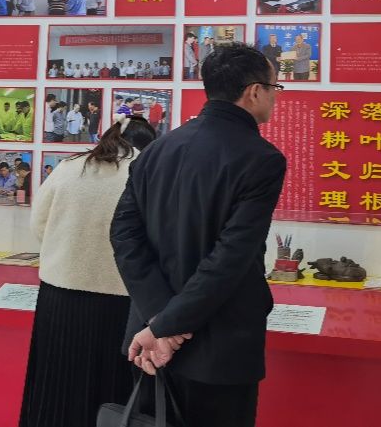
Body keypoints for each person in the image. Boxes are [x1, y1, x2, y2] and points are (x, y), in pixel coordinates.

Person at [111, 43, 286, 427]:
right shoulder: (262, 159)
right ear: (254, 91)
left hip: (151, 342)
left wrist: (159, 319)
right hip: (219, 343)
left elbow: (124, 236)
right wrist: (167, 326)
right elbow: (230, 257)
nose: (276, 97)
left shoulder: (157, 149)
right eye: (275, 87)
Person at [20, 114, 159, 427]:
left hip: (60, 294)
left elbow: (39, 224)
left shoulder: (69, 166)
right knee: (111, 389)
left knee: (56, 384)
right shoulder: (146, 171)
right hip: (122, 299)